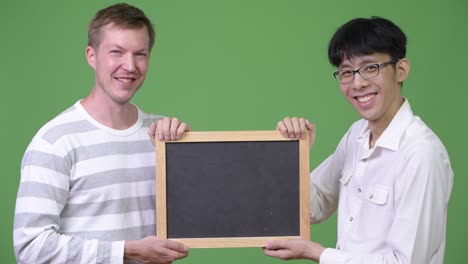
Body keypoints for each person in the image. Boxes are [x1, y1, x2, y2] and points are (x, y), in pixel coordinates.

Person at [264, 17, 454, 263]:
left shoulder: (421, 154)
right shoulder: (356, 135)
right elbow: (314, 206)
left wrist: (318, 254)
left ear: (401, 70)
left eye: (370, 68)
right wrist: (295, 154)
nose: (358, 83)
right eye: (346, 72)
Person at [13, 3, 191, 264]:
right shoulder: (55, 141)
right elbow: (31, 248)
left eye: (140, 54)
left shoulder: (161, 136)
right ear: (91, 56)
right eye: (116, 52)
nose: (130, 66)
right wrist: (125, 251)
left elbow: (192, 222)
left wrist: (188, 156)